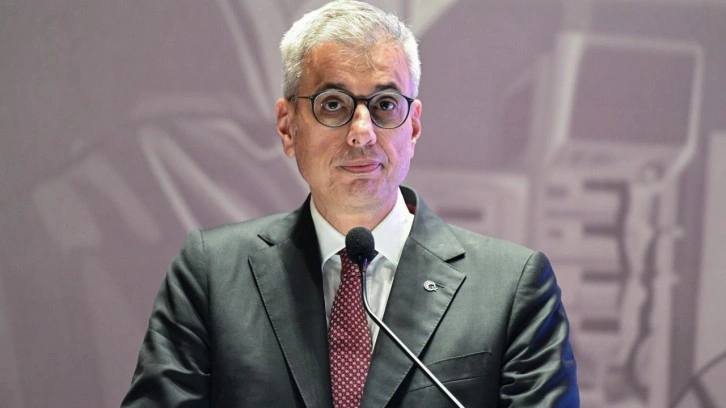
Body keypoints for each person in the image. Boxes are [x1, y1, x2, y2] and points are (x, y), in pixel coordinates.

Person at [121, 1, 579, 406]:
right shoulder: (211, 274)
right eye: (334, 105)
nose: (362, 132)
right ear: (287, 126)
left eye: (385, 105)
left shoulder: (511, 288)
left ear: (413, 127)